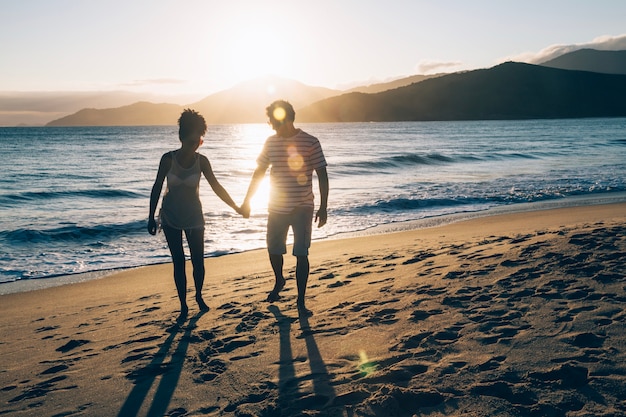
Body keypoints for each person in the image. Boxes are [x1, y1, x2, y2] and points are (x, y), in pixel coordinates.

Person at [148, 109, 241, 320]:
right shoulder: (167, 159)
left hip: (194, 217)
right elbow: (156, 187)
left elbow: (217, 187)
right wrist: (151, 216)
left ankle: (198, 295)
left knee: (198, 261)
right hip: (170, 217)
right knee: (178, 261)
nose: (197, 142)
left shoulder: (203, 161)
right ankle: (183, 306)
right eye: (194, 137)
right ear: (183, 136)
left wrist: (236, 207)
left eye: (200, 138)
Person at [241, 100, 329, 315]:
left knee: (301, 252)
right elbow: (259, 172)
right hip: (276, 206)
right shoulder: (270, 143)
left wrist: (324, 207)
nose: (272, 126)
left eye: (274, 122)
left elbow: (322, 175)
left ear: (287, 119)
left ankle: (300, 299)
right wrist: (247, 200)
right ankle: (279, 279)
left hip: (303, 206)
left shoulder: (311, 142)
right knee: (274, 249)